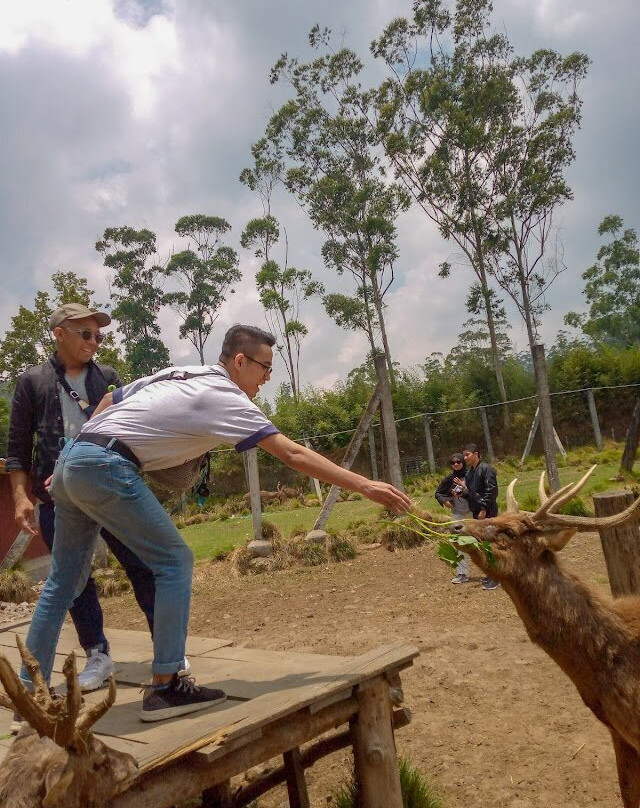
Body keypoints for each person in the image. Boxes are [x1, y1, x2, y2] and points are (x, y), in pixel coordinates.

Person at [21, 324, 412, 722]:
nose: (267, 378)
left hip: (74, 459)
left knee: (62, 582)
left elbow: (108, 398)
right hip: (106, 465)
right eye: (264, 367)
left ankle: (28, 697)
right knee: (174, 562)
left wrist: (75, 456)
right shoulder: (226, 395)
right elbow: (292, 454)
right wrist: (365, 485)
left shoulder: (182, 373)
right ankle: (166, 687)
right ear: (240, 361)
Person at [6, 303, 156, 697]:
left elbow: (127, 431)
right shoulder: (32, 383)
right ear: (59, 333)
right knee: (74, 581)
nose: (94, 342)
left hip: (110, 491)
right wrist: (22, 497)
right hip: (59, 499)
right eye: (86, 334)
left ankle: (166, 649)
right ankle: (98, 653)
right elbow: (19, 447)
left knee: (142, 566)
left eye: (99, 336)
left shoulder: (106, 378)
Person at [458, 443, 500, 591]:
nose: (465, 458)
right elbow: (471, 493)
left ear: (476, 454)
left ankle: (496, 577)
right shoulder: (469, 473)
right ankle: (490, 575)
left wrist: (483, 509)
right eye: (464, 455)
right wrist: (461, 492)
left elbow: (491, 491)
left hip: (487, 513)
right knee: (483, 545)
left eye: (467, 454)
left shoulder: (487, 469)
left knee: (490, 544)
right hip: (476, 513)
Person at [435, 452, 473, 584]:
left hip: (473, 513)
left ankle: (490, 573)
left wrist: (465, 489)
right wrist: (445, 500)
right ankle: (462, 573)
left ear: (463, 462)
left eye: (458, 461)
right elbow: (438, 493)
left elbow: (477, 494)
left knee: (481, 542)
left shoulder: (471, 475)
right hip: (457, 513)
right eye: (453, 462)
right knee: (459, 543)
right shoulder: (449, 479)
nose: (456, 464)